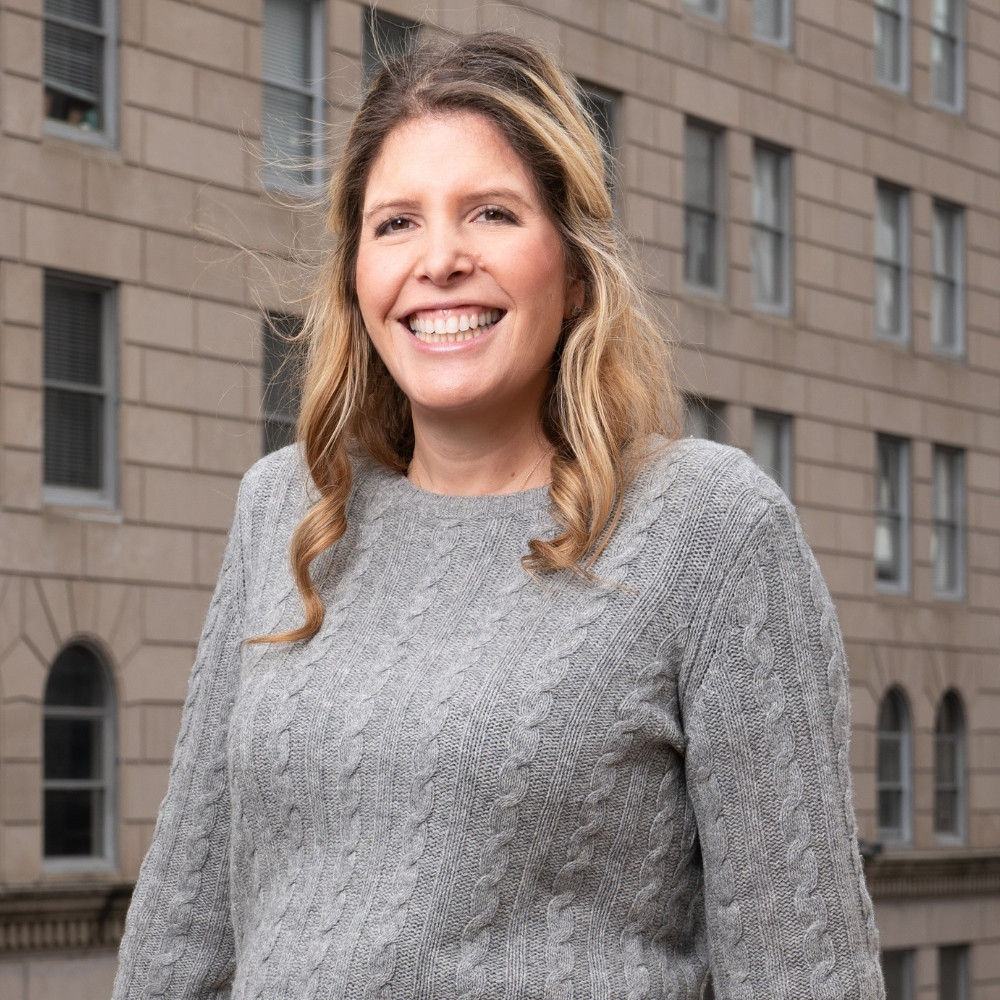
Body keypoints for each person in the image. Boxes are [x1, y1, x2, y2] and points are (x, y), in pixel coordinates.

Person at [112, 31, 885, 1000]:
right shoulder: (285, 510)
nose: (440, 260)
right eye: (396, 223)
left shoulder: (712, 529)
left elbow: (804, 971)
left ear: (571, 266)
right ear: (356, 271)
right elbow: (178, 939)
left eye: (490, 212)